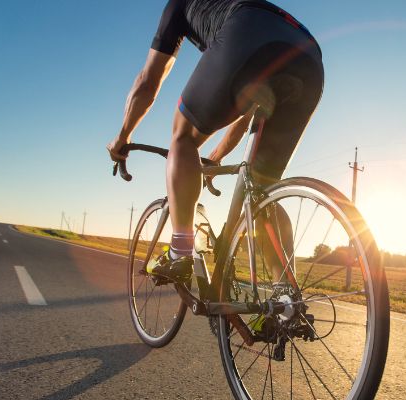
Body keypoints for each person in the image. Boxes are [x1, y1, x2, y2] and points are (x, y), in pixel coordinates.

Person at [107, 0, 324, 284]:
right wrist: (217, 156)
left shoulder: (179, 6)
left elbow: (148, 81)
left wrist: (122, 137)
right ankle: (285, 300)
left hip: (249, 33)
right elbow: (247, 113)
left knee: (182, 138)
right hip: (308, 57)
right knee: (262, 191)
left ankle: (180, 250)